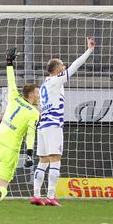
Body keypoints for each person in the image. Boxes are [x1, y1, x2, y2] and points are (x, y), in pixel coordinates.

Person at [30, 37, 96, 206]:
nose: (64, 67)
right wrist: (89, 50)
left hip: (43, 125)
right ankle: (51, 196)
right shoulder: (56, 79)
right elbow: (75, 66)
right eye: (61, 65)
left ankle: (36, 195)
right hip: (53, 125)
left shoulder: (45, 83)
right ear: (56, 69)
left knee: (43, 160)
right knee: (55, 158)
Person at [0, 47, 40, 202]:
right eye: (37, 93)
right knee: (5, 180)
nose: (39, 96)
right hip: (10, 149)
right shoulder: (34, 113)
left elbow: (11, 80)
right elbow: (31, 133)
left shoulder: (14, 97)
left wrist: (9, 62)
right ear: (30, 95)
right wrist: (29, 154)